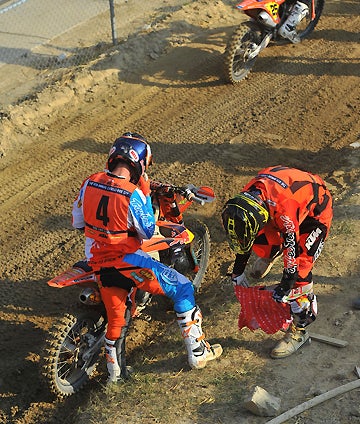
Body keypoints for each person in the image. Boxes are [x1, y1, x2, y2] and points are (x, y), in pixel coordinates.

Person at [72, 132, 222, 384]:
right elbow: (147, 230)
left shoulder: (89, 182)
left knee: (117, 321)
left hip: (99, 262)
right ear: (140, 163)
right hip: (128, 261)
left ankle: (115, 378)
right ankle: (198, 352)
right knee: (183, 287)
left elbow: (77, 222)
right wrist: (142, 191)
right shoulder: (131, 194)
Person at [221, 165, 333, 358]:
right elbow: (244, 235)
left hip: (315, 212)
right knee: (260, 241)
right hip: (283, 204)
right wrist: (237, 270)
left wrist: (286, 285)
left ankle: (300, 330)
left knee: (300, 270)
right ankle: (272, 250)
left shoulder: (284, 211)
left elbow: (292, 254)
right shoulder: (248, 197)